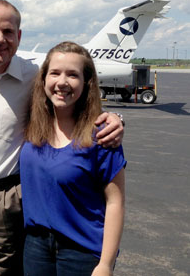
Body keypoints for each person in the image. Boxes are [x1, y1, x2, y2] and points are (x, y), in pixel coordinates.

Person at [0, 0, 124, 276]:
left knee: (8, 271)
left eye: (8, 32)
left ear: (19, 36)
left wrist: (114, 118)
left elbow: (71, 99)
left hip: (10, 197)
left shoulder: (34, 78)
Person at [20, 41, 126, 276]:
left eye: (73, 75)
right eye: (55, 73)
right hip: (35, 247)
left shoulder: (102, 135)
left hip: (81, 252)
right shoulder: (31, 122)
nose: (62, 82)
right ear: (44, 79)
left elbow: (115, 203)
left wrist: (106, 264)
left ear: (87, 83)